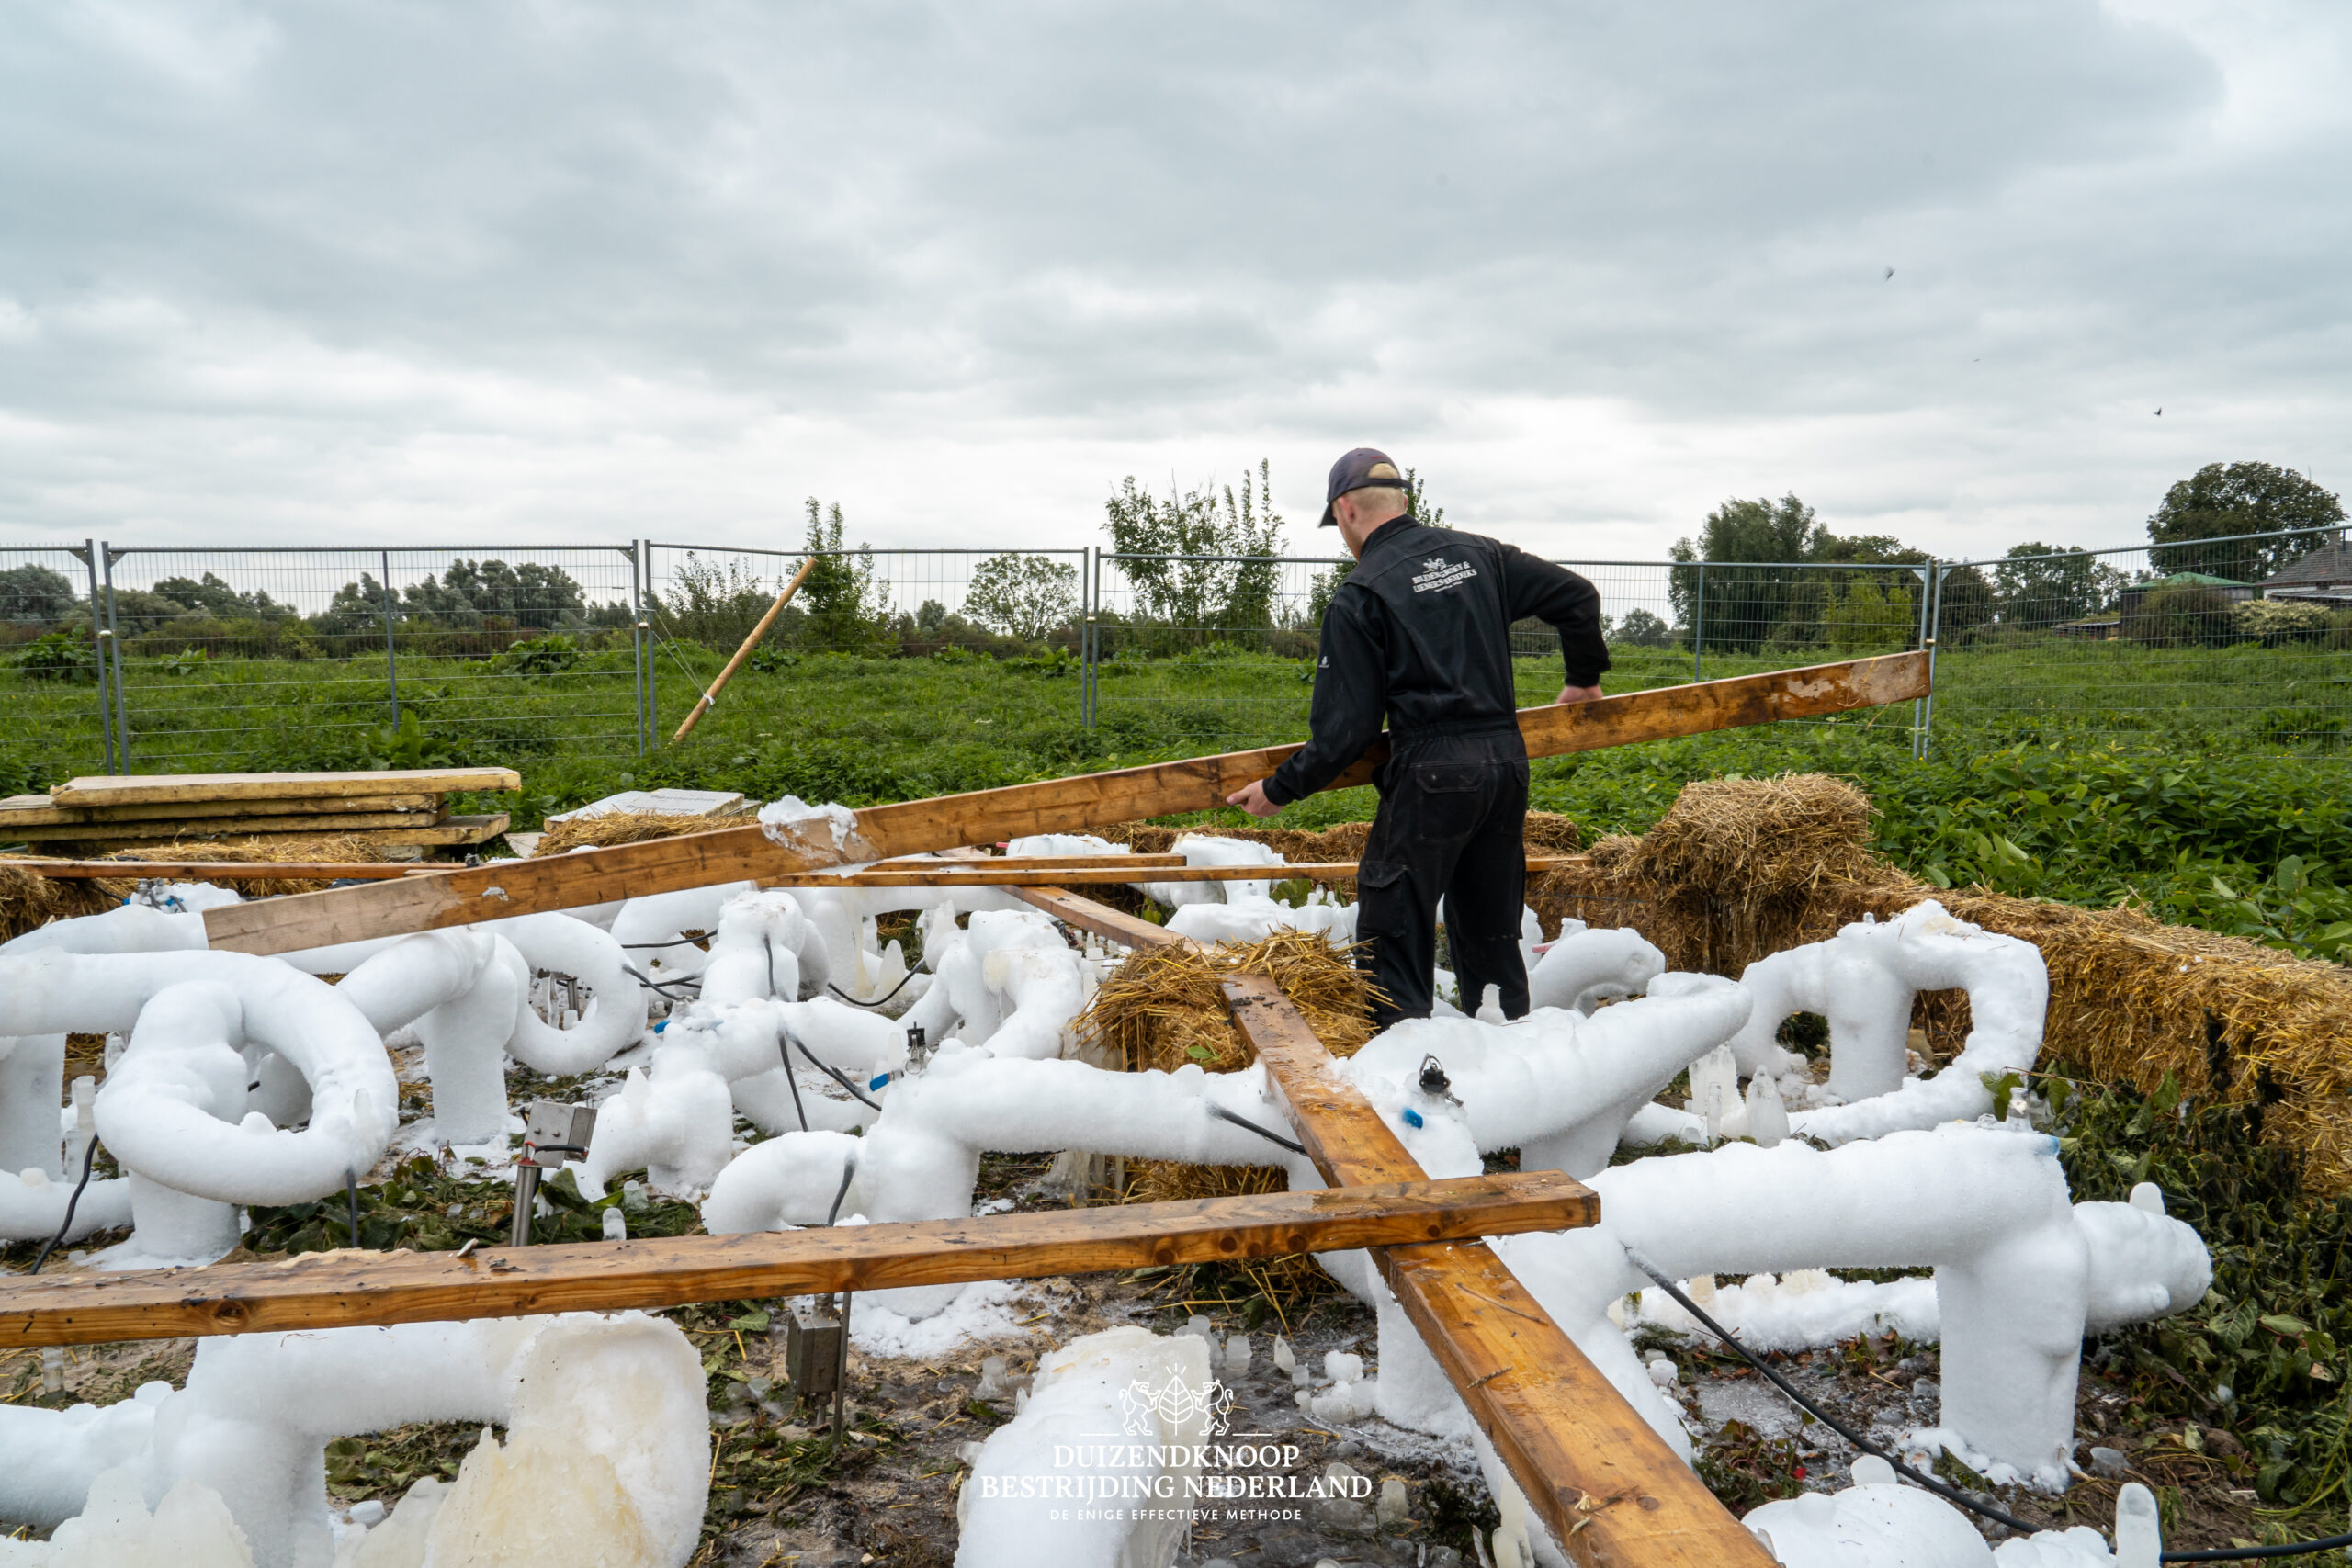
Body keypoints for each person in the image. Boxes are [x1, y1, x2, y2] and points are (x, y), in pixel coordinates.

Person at [1226, 448, 1608, 1028]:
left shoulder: (1362, 594)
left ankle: (1404, 1055)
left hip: (1432, 773)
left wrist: (1280, 789)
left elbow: (1346, 732)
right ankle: (1511, 1051)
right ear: (1403, 501)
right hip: (1505, 763)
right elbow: (1577, 597)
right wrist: (1582, 679)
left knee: (1393, 918)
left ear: (1346, 509)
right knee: (1490, 922)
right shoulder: (1481, 555)